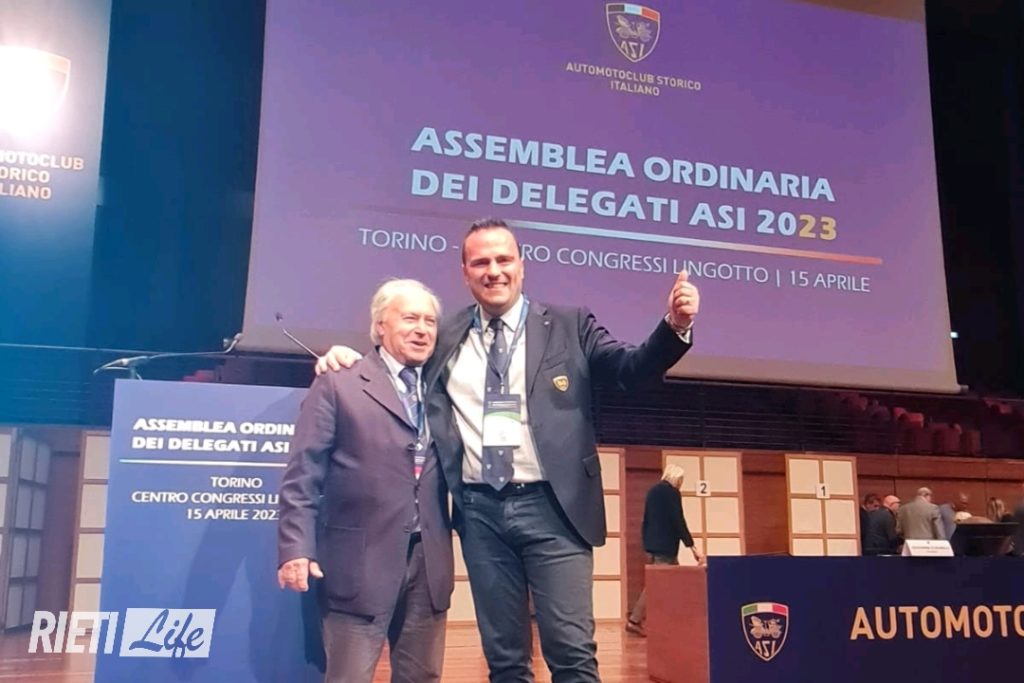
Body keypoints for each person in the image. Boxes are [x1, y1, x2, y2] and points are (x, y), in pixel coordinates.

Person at [318, 218, 698, 682]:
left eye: (503, 259)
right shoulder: (446, 334)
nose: (493, 270)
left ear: (522, 265)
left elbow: (630, 369)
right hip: (481, 515)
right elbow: (396, 364)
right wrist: (345, 358)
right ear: (465, 272)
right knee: (504, 660)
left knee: (572, 654)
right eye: (481, 262)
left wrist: (675, 326)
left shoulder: (568, 325)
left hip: (555, 509)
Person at [278, 279, 454, 683]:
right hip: (357, 567)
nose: (422, 329)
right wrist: (295, 549)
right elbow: (303, 474)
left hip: (428, 565)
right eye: (409, 318)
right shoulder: (339, 381)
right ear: (379, 326)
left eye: (429, 321)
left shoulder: (445, 388)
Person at [625, 463, 704, 637]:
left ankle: (675, 619)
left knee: (674, 583)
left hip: (654, 546)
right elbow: (678, 520)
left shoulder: (652, 491)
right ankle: (635, 620)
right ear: (676, 478)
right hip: (666, 547)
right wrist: (692, 547)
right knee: (655, 585)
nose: (681, 483)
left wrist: (647, 544)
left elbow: (645, 521)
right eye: (681, 479)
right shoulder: (672, 493)